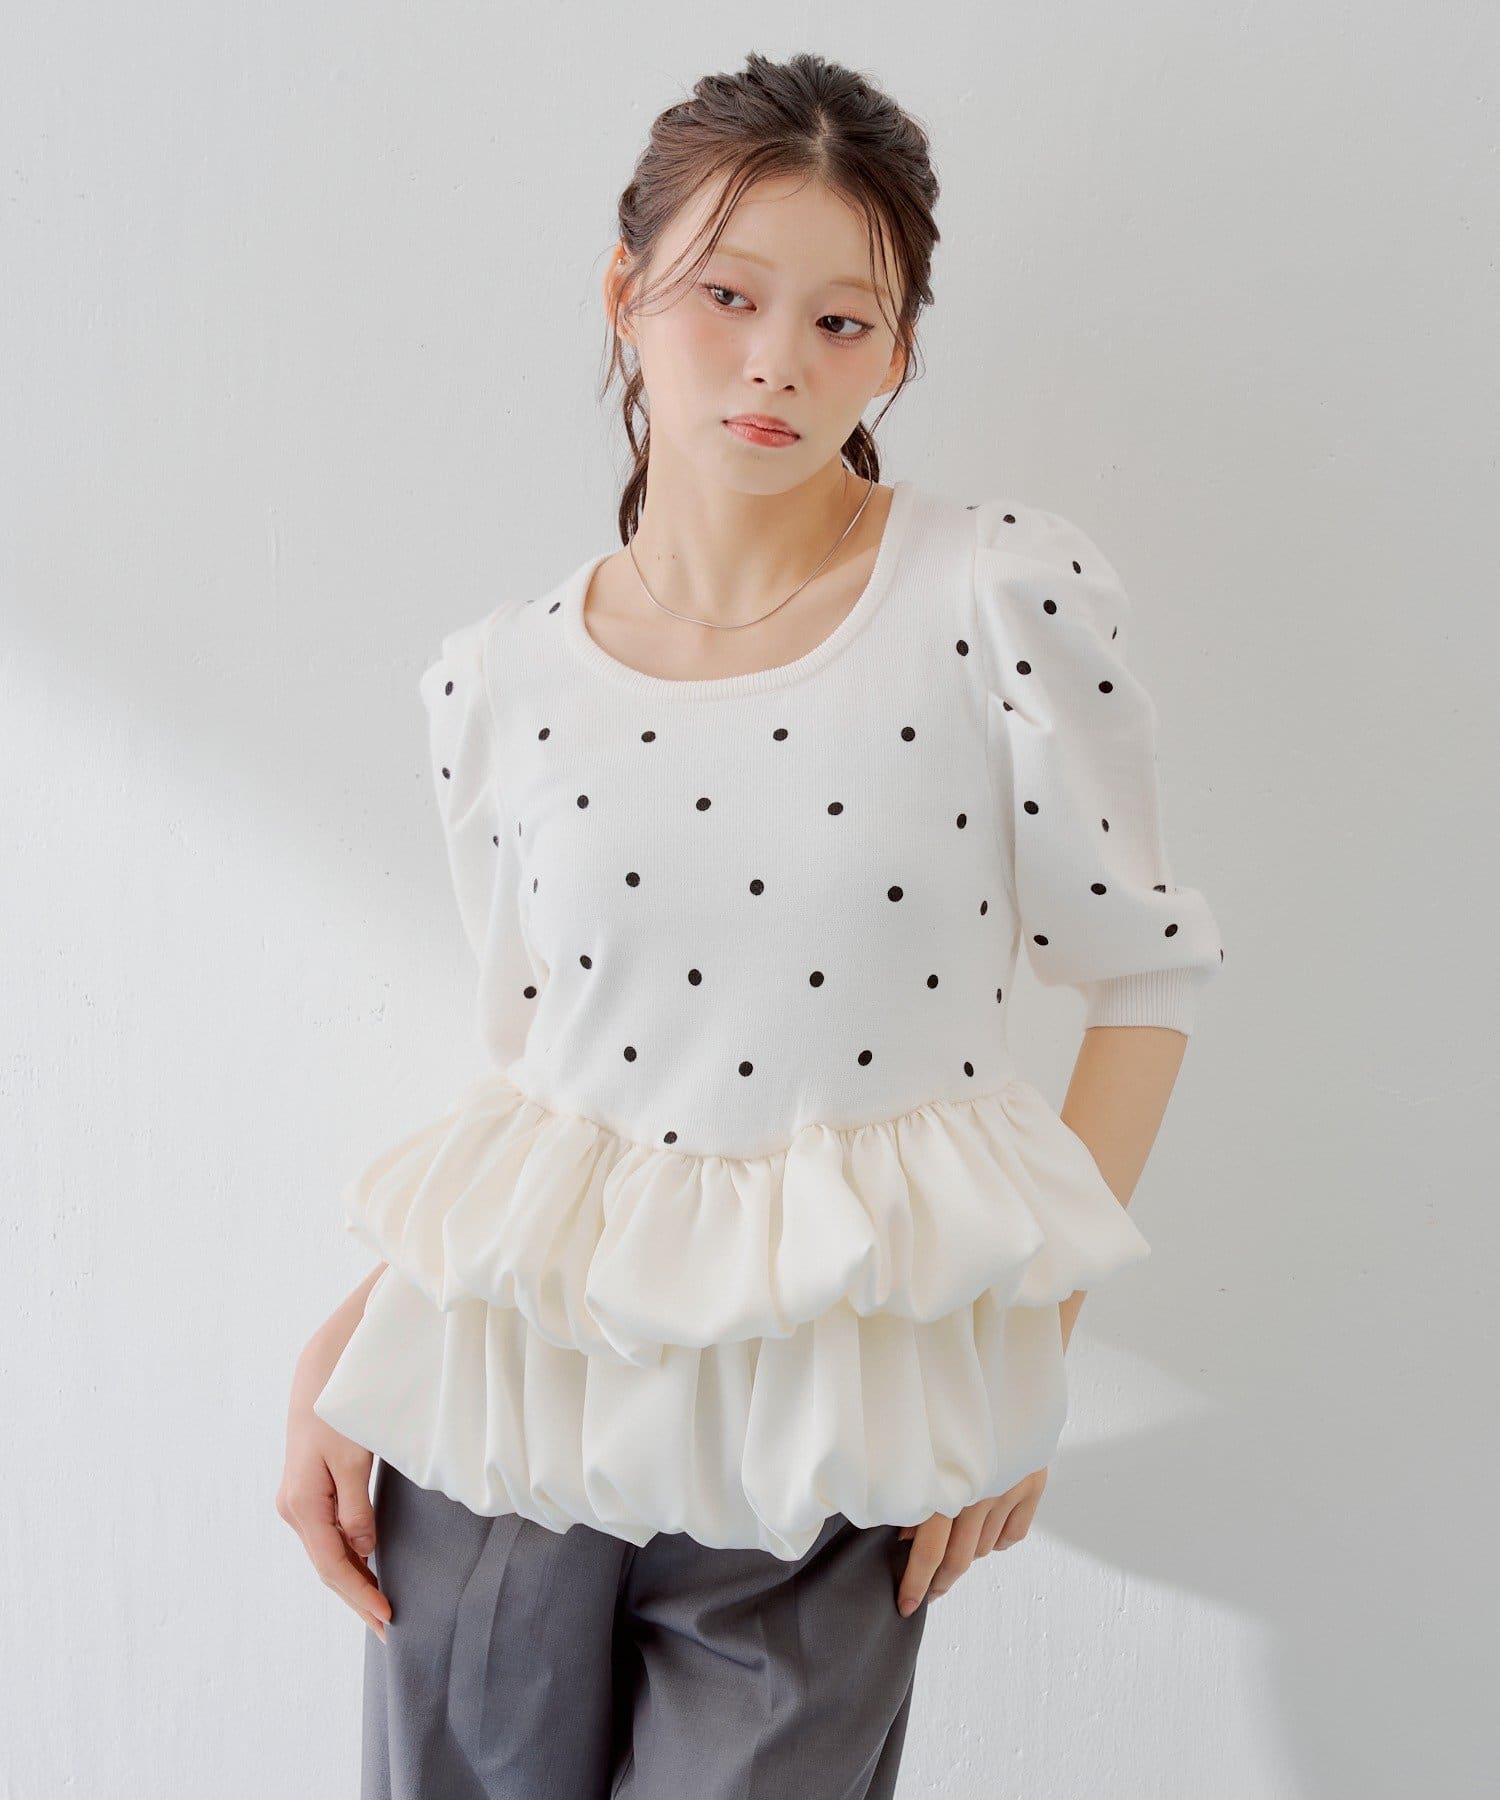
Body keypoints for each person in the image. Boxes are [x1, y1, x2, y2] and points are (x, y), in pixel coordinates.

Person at [276, 48, 1225, 1800]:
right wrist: (359, 1347)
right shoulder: (496, 681)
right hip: (494, 1415)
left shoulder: (996, 592)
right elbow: (555, 1081)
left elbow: (1147, 971)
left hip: (825, 1437)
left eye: (842, 321)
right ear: (626, 292)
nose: (778, 360)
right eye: (726, 295)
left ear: (899, 352)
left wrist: (1019, 1359)